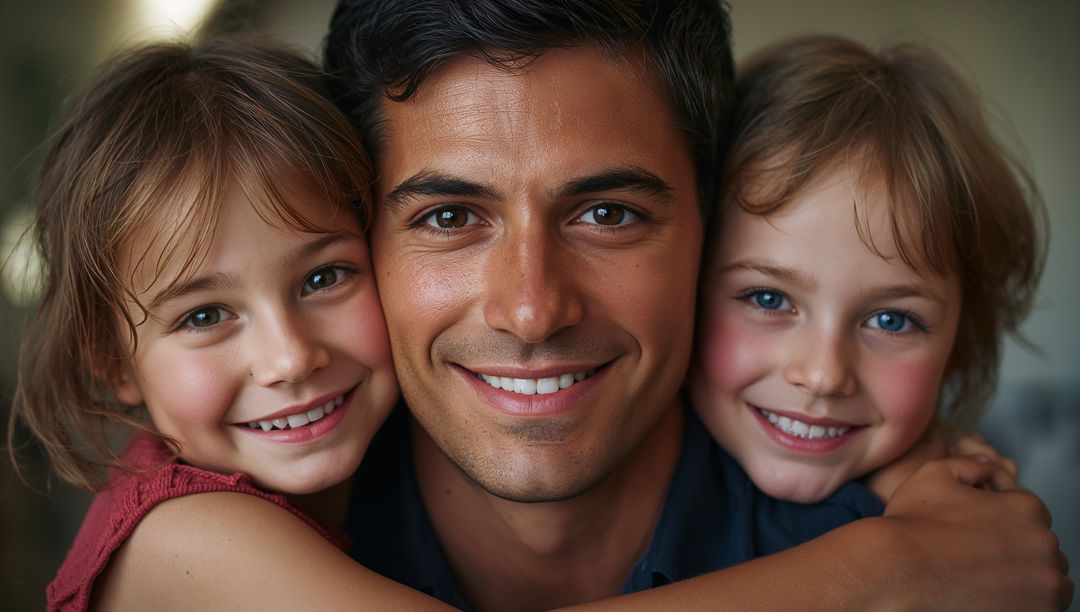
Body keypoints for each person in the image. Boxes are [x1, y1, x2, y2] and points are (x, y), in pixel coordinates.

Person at [324, 1, 1072, 610]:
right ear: (358, 240)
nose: (532, 311)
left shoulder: (945, 557)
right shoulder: (265, 516)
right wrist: (886, 572)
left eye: (609, 214)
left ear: (711, 237)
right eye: (450, 218)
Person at [11, 38, 452, 611]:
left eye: (324, 279)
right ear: (112, 358)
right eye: (205, 316)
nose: (290, 358)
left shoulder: (389, 466)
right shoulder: (184, 536)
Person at [691, 35, 1043, 504]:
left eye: (891, 320)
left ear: (959, 343)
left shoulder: (968, 518)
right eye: (769, 298)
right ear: (688, 289)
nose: (824, 375)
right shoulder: (620, 478)